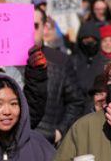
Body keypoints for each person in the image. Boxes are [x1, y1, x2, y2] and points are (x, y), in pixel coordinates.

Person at [31, 8, 86, 146]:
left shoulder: (59, 60)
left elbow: (76, 101)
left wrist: (59, 131)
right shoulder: (5, 64)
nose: (30, 30)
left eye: (35, 26)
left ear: (44, 27)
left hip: (46, 142)